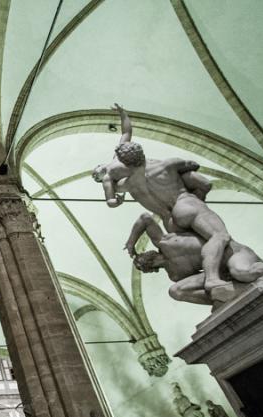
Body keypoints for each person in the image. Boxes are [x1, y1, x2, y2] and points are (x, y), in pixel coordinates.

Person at [94, 103, 232, 291]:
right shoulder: (120, 176)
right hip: (184, 203)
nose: (98, 173)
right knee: (218, 237)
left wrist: (123, 114)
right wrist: (114, 201)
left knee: (205, 243)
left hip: (170, 220)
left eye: (96, 171)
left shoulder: (125, 180)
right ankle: (214, 277)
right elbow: (110, 199)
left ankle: (219, 274)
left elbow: (126, 131)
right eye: (97, 176)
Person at [127, 212, 263, 305]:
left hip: (232, 253)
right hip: (221, 271)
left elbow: (145, 218)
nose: (145, 262)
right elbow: (198, 281)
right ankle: (226, 298)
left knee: (243, 272)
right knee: (176, 291)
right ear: (151, 269)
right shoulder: (175, 275)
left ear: (150, 253)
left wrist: (131, 243)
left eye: (144, 259)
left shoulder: (165, 242)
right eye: (145, 266)